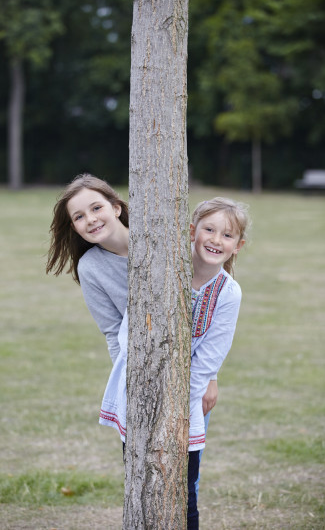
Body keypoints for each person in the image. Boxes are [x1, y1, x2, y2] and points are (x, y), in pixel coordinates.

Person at [99, 196, 250, 529]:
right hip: (140, 390)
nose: (215, 240)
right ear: (192, 231)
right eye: (209, 230)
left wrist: (180, 408)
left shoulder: (228, 293)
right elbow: (130, 330)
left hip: (186, 402)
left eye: (227, 235)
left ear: (238, 246)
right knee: (140, 482)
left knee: (184, 493)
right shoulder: (164, 268)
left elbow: (210, 356)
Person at [46, 173, 129, 365]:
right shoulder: (89, 268)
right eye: (79, 217)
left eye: (97, 208)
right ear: (75, 227)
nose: (91, 219)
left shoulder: (157, 241)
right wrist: (126, 384)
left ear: (116, 208)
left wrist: (208, 377)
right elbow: (114, 332)